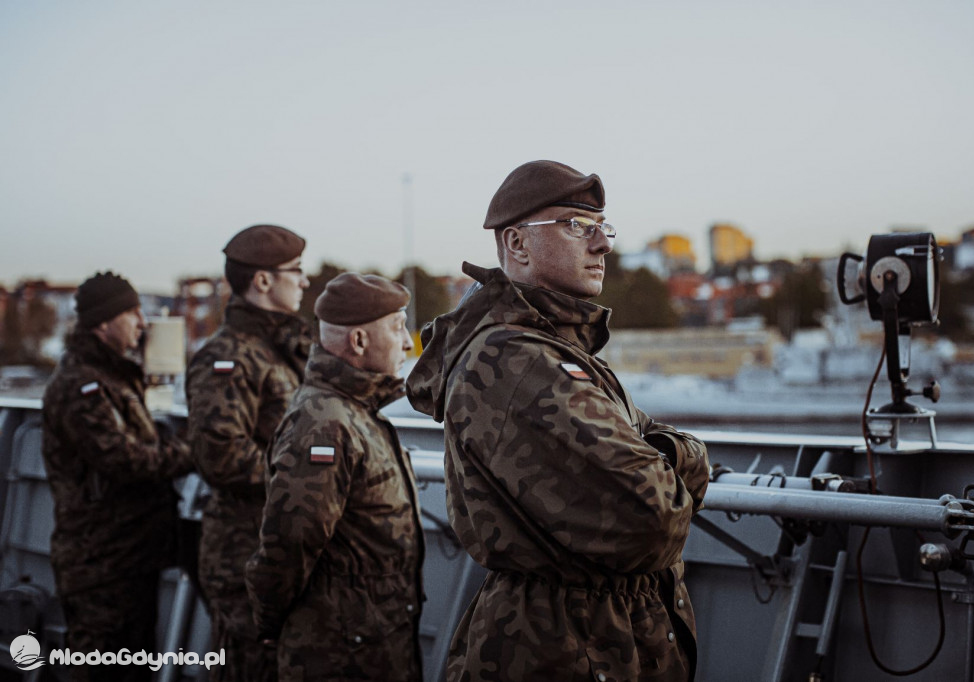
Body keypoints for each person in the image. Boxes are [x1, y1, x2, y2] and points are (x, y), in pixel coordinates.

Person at [406, 160, 711, 682]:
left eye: (603, 227)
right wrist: (678, 458)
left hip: (603, 639)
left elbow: (650, 454)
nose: (602, 244)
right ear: (517, 244)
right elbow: (654, 516)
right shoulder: (514, 360)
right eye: (577, 226)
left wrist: (660, 455)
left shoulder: (558, 351)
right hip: (565, 647)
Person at [246, 273, 425, 682]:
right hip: (340, 656)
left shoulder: (355, 411)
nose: (406, 342)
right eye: (397, 327)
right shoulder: (324, 423)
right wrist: (271, 623)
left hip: (375, 644)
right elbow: (289, 544)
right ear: (358, 341)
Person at [42, 271, 193, 682]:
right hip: (99, 566)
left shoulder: (111, 376)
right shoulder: (81, 385)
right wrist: (192, 451)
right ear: (103, 322)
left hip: (128, 558)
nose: (142, 323)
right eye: (132, 313)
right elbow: (126, 461)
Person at [186, 224, 312, 682]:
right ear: (262, 280)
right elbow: (220, 456)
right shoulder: (229, 356)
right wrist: (308, 480)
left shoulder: (279, 349)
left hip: (281, 547)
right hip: (245, 554)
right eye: (296, 271)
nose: (304, 281)